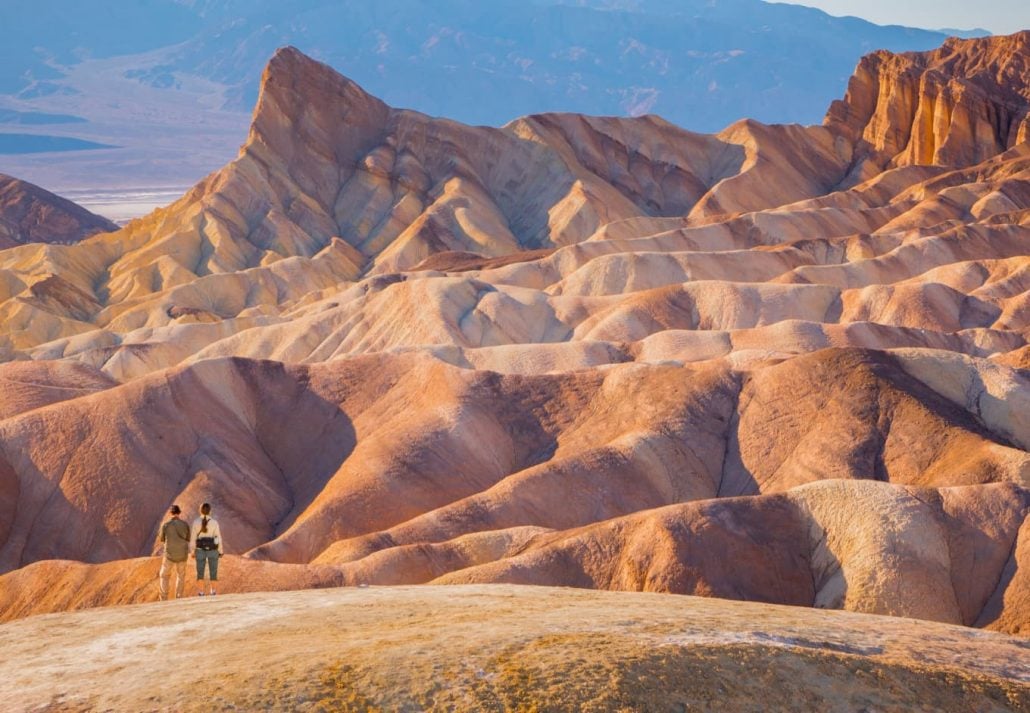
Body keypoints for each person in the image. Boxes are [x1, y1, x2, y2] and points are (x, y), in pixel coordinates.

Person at [190, 502, 224, 596]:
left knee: (200, 571)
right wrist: (220, 551)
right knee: (213, 570)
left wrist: (192, 551)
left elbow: (193, 538)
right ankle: (213, 591)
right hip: (213, 550)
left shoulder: (196, 522)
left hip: (200, 550)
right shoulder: (214, 522)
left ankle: (201, 592)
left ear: (200, 511)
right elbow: (218, 538)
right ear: (210, 511)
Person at [157, 504, 191, 601]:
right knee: (180, 576)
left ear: (170, 513)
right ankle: (179, 597)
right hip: (182, 555)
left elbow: (162, 539)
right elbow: (188, 538)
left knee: (164, 575)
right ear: (179, 513)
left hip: (169, 555)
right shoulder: (185, 525)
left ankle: (164, 598)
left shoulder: (165, 525)